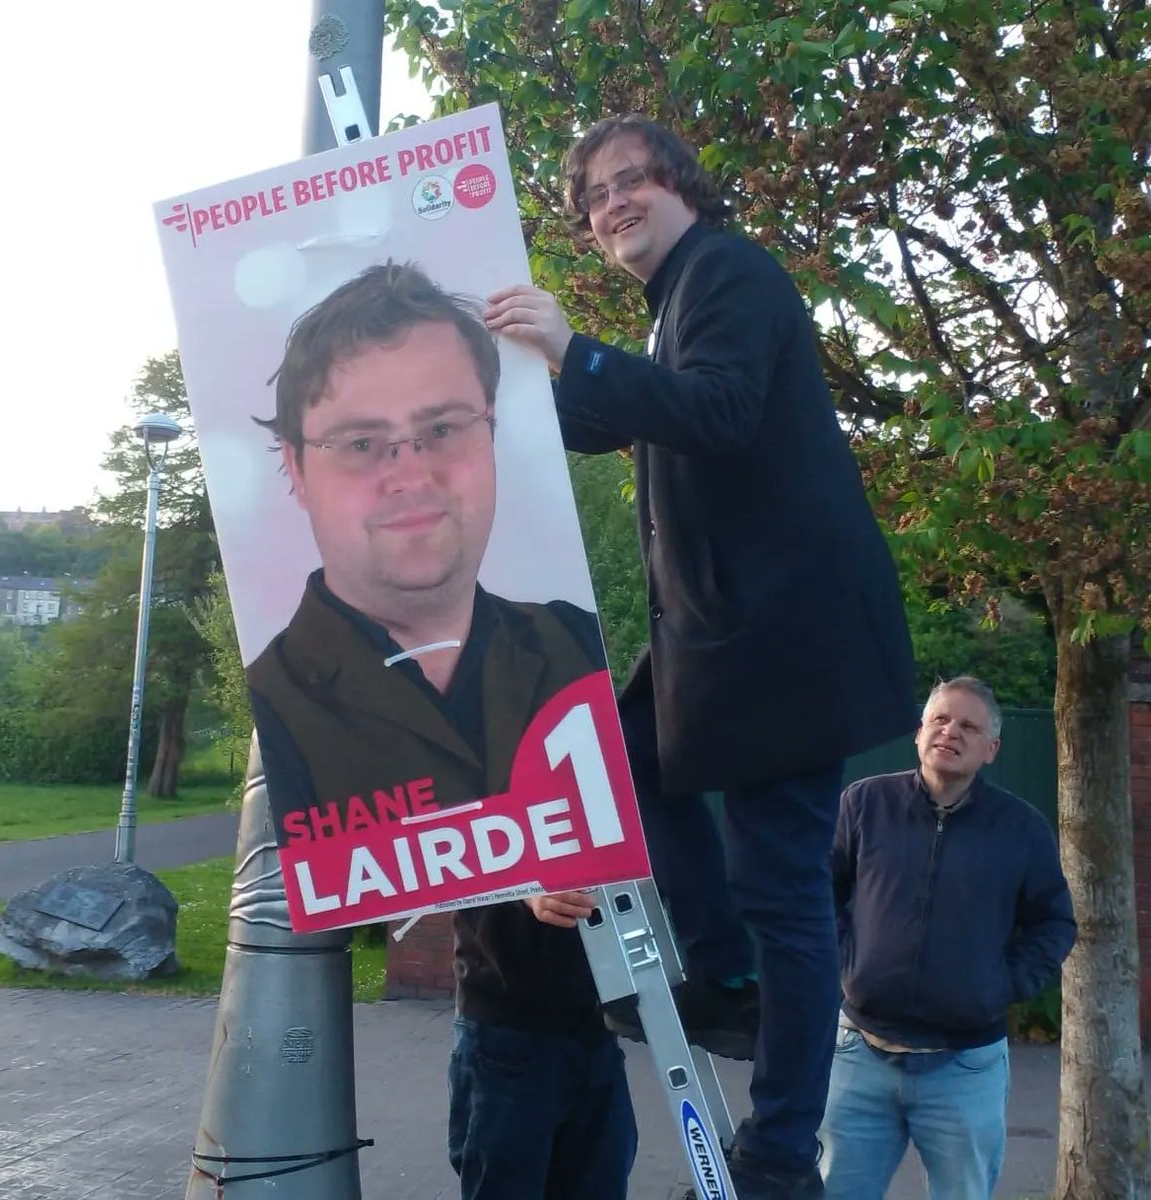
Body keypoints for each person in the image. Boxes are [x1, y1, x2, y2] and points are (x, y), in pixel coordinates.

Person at [485, 115, 918, 1200]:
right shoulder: (677, 302)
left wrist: (573, 349)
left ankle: (777, 1159)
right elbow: (622, 414)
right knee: (622, 761)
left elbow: (715, 411)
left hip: (782, 631)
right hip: (728, 633)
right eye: (595, 195)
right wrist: (505, 388)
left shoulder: (727, 271)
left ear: (682, 186)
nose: (613, 203)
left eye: (632, 181)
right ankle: (721, 971)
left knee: (785, 891)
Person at [249, 260, 637, 1200]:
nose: (411, 474)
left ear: (494, 438)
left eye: (442, 429)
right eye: (360, 442)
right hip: (509, 1029)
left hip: (614, 1027)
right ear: (296, 470)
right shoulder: (287, 704)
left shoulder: (570, 643)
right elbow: (377, 886)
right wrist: (518, 889)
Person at [821, 677, 1076, 1200]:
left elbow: (1055, 923)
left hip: (965, 1067)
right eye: (939, 720)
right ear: (919, 733)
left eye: (968, 726)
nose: (950, 732)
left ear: (991, 749)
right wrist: (847, 960)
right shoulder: (864, 804)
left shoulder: (1020, 829)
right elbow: (820, 893)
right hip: (860, 1056)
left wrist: (1000, 985)